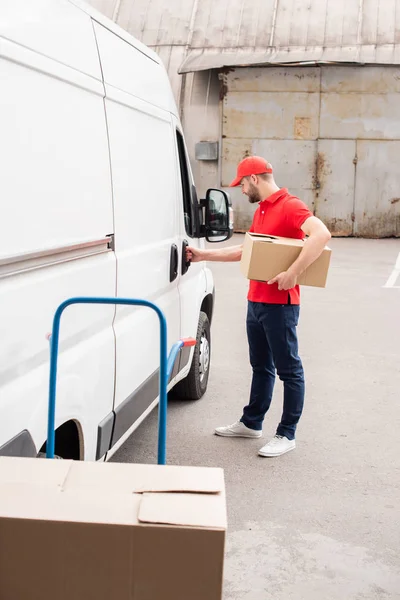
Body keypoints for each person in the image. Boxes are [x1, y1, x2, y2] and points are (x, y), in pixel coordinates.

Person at [186, 156, 331, 457]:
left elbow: (321, 235)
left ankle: (287, 434)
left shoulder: (290, 206)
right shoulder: (263, 210)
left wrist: (292, 273)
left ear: (254, 179)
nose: (240, 190)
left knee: (289, 370)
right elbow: (245, 249)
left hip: (281, 305)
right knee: (261, 367)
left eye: (241, 184)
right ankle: (252, 423)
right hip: (256, 301)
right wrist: (203, 255)